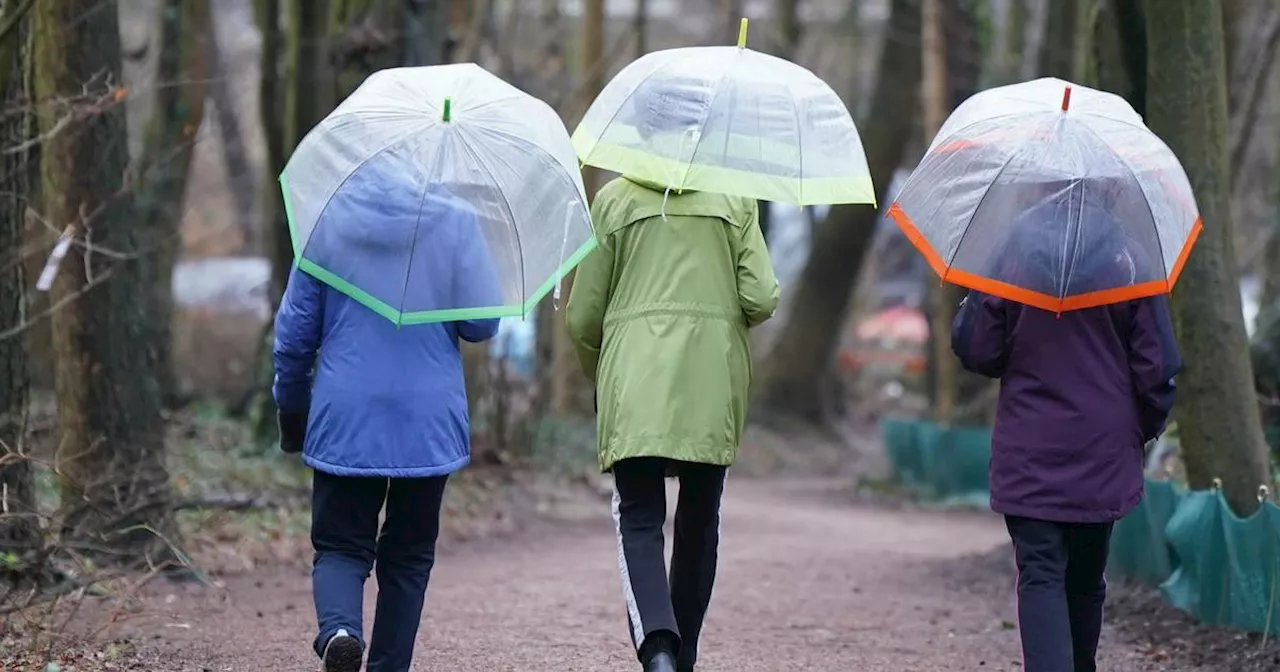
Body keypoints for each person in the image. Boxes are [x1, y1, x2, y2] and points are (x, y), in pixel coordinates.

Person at [274, 153, 501, 672]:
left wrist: (292, 408)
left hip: (346, 413)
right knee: (409, 554)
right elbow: (483, 324)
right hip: (428, 420)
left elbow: (293, 337)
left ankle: (339, 630)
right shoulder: (454, 219)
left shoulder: (325, 221)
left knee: (339, 545)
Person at [951, 188, 1181, 672]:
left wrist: (972, 306)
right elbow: (1157, 368)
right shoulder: (1131, 260)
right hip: (1104, 447)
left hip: (1029, 443)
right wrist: (1140, 430)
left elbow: (979, 349)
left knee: (1039, 574)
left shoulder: (1013, 251)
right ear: (1112, 189)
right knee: (1085, 577)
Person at [565, 174, 779, 671]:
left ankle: (657, 648)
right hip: (711, 377)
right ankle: (685, 655)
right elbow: (762, 298)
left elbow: (581, 317)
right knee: (701, 518)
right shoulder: (734, 196)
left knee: (639, 517)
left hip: (635, 380)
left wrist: (601, 373)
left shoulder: (613, 202)